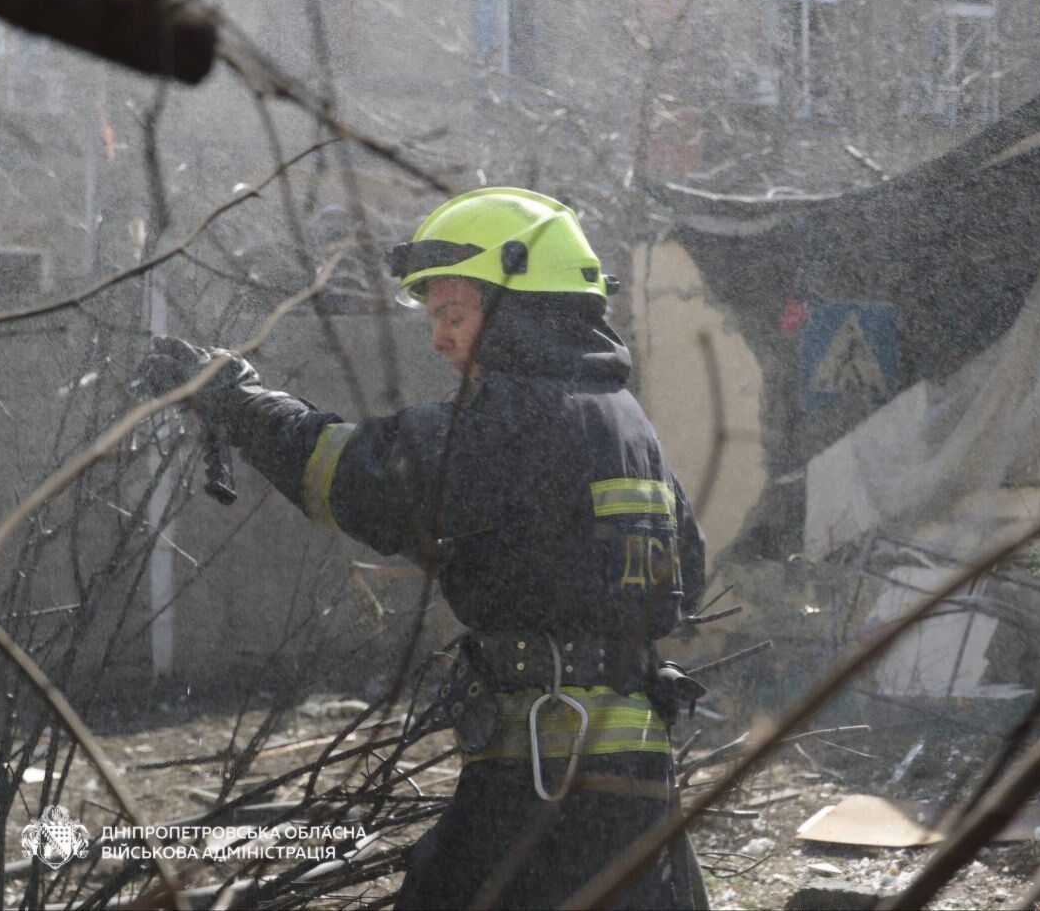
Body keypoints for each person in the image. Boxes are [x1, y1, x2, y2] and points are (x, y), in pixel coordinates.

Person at [142, 187, 708, 908]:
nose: (438, 339)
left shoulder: (517, 416)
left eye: (453, 315)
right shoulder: (628, 425)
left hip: (543, 772)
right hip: (632, 773)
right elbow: (681, 569)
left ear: (518, 310)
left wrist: (240, 401)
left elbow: (356, 478)